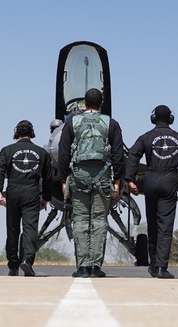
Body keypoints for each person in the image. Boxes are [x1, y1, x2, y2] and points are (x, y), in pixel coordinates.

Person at [58, 88, 124, 278]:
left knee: (80, 220)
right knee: (99, 220)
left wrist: (63, 180)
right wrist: (117, 181)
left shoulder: (71, 123)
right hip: (103, 176)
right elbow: (118, 155)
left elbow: (64, 154)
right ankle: (95, 267)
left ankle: (83, 267)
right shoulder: (111, 124)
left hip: (78, 176)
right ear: (101, 103)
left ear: (84, 104)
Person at [125, 105, 178, 279]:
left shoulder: (146, 137)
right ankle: (162, 267)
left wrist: (130, 180)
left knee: (153, 224)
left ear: (153, 118)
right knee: (166, 225)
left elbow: (133, 155)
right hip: (169, 180)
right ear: (171, 119)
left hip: (151, 179)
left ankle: (153, 265)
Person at [0, 120, 53, 276]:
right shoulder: (42, 153)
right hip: (32, 192)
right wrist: (45, 198)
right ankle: (27, 260)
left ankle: (13, 265)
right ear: (31, 134)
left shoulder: (7, 151)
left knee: (12, 229)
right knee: (30, 228)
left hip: (13, 191)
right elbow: (48, 178)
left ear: (16, 133)